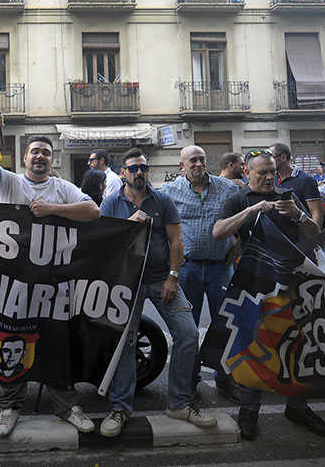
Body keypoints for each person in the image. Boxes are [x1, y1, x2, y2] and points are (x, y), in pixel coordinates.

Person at [0, 108, 100, 438]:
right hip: (13, 285)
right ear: (25, 158)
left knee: (57, 345)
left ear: (52, 160)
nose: (40, 157)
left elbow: (93, 211)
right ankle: (9, 408)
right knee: (10, 344)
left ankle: (67, 406)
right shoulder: (11, 183)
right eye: (35, 152)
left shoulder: (62, 188)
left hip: (53, 286)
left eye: (46, 153)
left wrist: (52, 209)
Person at [99, 149, 217, 437]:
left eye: (143, 167)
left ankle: (179, 402)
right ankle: (120, 408)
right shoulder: (111, 203)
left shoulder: (161, 200)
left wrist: (173, 277)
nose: (139, 172)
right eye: (133, 168)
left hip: (160, 279)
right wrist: (129, 227)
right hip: (126, 284)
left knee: (188, 334)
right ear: (123, 173)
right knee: (125, 342)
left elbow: (176, 241)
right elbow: (103, 244)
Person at [212, 151, 325, 441]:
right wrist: (252, 211)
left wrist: (298, 215)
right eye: (261, 172)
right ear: (247, 173)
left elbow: (314, 232)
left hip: (290, 285)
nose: (267, 178)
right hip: (253, 288)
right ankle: (249, 412)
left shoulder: (288, 196)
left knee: (296, 346)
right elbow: (217, 231)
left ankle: (298, 407)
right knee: (254, 349)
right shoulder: (238, 199)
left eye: (271, 172)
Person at [160, 145, 240, 401]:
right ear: (181, 166)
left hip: (220, 268)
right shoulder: (170, 192)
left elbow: (241, 220)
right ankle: (190, 379)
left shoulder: (228, 188)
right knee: (187, 328)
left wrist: (237, 246)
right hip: (187, 268)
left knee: (224, 326)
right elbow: (162, 230)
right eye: (192, 160)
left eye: (201, 159)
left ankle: (225, 378)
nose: (197, 164)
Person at [270, 143, 323, 227]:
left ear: (283, 157)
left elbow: (316, 212)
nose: (269, 161)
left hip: (301, 233)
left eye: (271, 158)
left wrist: (315, 235)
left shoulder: (306, 180)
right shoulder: (272, 179)